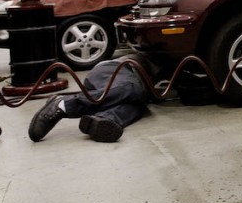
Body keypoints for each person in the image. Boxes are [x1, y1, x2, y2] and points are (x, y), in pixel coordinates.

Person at [28, 52, 163, 143]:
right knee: (131, 88)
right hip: (112, 70)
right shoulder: (157, 52)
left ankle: (102, 119)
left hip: (114, 88)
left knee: (137, 107)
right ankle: (63, 104)